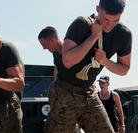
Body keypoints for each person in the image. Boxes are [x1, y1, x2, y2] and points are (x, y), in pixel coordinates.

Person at [47, 0, 132, 132]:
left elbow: (124, 69)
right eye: (106, 19)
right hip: (64, 90)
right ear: (98, 9)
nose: (109, 25)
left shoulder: (123, 35)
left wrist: (105, 61)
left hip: (88, 91)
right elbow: (68, 61)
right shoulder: (82, 24)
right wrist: (93, 36)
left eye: (116, 20)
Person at [38, 26, 82, 133]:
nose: (44, 48)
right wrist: (55, 86)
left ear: (53, 40)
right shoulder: (55, 53)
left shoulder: (69, 50)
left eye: (45, 45)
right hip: (62, 95)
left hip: (74, 96)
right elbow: (56, 69)